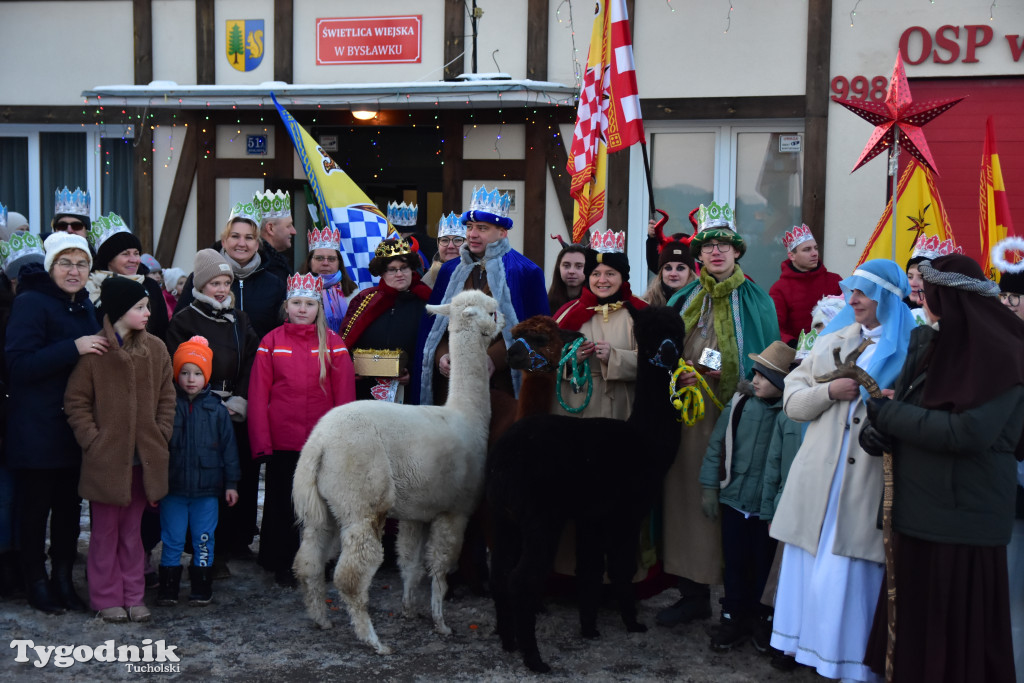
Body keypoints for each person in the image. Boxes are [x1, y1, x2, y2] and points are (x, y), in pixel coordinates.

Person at [859, 254, 1024, 682]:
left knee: (955, 648)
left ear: (947, 298)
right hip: (919, 513)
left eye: (929, 294)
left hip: (961, 523)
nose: (923, 301)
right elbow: (913, 409)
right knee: (916, 639)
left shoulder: (1004, 356)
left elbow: (967, 433)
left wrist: (888, 417)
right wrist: (878, 434)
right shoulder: (934, 344)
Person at [768, 259, 915, 682]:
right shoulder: (833, 339)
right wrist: (830, 391)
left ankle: (847, 663)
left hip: (864, 483)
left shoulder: (914, 348)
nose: (853, 300)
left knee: (846, 575)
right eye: (851, 291)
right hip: (819, 480)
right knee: (810, 572)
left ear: (886, 297)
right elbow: (792, 401)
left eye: (864, 293)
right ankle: (807, 651)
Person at [660, 201, 779, 627]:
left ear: (737, 253)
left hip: (737, 422)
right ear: (700, 254)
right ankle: (691, 593)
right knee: (686, 506)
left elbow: (770, 363)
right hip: (688, 422)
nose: (716, 253)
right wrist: (679, 376)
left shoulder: (758, 301)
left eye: (724, 246)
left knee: (733, 509)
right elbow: (662, 355)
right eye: (709, 246)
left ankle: (738, 602)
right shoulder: (682, 298)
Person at [64, 276, 175, 623]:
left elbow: (167, 397)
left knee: (132, 533)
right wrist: (93, 440)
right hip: (107, 461)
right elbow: (76, 401)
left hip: (144, 460)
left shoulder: (155, 349)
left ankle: (133, 594)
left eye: (147, 307)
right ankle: (105, 595)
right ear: (119, 312)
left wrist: (161, 432)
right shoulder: (96, 351)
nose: (147, 313)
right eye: (139, 308)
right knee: (104, 533)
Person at [5, 232, 106, 614]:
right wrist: (73, 347)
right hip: (36, 428)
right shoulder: (31, 303)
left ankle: (64, 579)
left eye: (81, 263)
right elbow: (19, 366)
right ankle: (36, 581)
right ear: (51, 266)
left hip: (74, 428)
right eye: (65, 262)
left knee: (69, 510)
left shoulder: (85, 306)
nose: (74, 270)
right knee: (35, 511)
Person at [248, 273, 355, 586]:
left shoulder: (334, 345)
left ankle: (315, 560)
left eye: (309, 303)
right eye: (297, 303)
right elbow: (257, 396)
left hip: (320, 441)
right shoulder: (271, 343)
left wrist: (342, 442)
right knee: (281, 502)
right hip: (282, 440)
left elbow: (345, 398)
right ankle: (278, 560)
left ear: (319, 307)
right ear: (287, 306)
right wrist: (261, 442)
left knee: (317, 506)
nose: (303, 309)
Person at [165, 249, 260, 571]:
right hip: (199, 410)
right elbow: (177, 365)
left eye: (225, 282)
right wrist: (203, 400)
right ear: (201, 285)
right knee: (201, 481)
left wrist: (241, 398)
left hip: (233, 410)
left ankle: (225, 546)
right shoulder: (185, 320)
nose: (221, 289)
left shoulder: (240, 319)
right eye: (214, 283)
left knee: (231, 479)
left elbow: (251, 361)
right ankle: (199, 551)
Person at [699, 341, 795, 652]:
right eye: (755, 373)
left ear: (781, 384)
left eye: (764, 376)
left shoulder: (790, 416)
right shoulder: (739, 404)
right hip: (734, 500)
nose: (755, 380)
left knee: (764, 567)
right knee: (735, 563)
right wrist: (709, 489)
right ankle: (732, 618)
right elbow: (717, 446)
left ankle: (762, 621)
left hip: (766, 510)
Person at [419, 186, 549, 409]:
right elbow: (435, 327)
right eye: (469, 227)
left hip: (501, 387)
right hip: (451, 389)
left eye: (482, 228)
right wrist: (441, 356)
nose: (472, 234)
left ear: (502, 232)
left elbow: (536, 333)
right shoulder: (449, 271)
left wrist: (492, 359)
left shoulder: (526, 271)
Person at [158, 335, 240, 608]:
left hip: (207, 490)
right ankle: (168, 587)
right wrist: (155, 485)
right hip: (173, 489)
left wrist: (231, 483)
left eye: (197, 373)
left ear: (206, 375)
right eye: (184, 372)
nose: (191, 379)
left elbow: (229, 450)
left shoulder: (217, 410)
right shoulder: (168, 406)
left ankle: (201, 585)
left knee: (204, 538)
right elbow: (158, 449)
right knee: (171, 538)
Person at [554, 229, 647, 420]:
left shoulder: (641, 313)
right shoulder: (568, 313)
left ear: (622, 277)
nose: (602, 280)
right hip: (577, 408)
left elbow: (656, 361)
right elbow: (546, 359)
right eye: (596, 274)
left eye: (610, 273)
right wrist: (571, 359)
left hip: (624, 409)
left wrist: (615, 358)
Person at [175, 200, 287, 340]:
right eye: (235, 236)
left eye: (249, 238)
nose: (241, 243)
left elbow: (283, 332)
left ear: (257, 244)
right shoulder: (200, 278)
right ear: (224, 242)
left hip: (259, 361)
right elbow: (178, 327)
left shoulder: (275, 284)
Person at [340, 238, 430, 401]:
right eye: (392, 270)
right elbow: (345, 341)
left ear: (412, 269)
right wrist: (351, 366)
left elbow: (433, 348)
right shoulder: (364, 300)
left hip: (409, 394)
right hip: (366, 392)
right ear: (382, 273)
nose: (399, 274)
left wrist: (413, 373)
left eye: (404, 268)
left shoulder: (427, 302)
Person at [85, 212, 169, 340]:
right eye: (125, 254)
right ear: (109, 259)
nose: (133, 259)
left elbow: (162, 330)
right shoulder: (90, 288)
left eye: (136, 253)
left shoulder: (150, 286)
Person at [767, 224, 842, 344]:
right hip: (797, 356)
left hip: (834, 349)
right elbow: (775, 328)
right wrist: (794, 345)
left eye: (815, 248)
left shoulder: (835, 280)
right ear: (792, 256)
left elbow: (849, 315)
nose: (814, 253)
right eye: (807, 249)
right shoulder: (779, 289)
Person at [306, 226, 358, 333]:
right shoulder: (297, 289)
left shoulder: (354, 293)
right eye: (319, 258)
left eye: (331, 259)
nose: (325, 263)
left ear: (339, 262)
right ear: (310, 262)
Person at [642, 234, 697, 307]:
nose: (673, 273)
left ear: (690, 273)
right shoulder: (646, 303)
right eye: (668, 268)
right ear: (661, 272)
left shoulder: (702, 301)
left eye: (680, 268)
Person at [255, 189, 295, 281]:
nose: (294, 231)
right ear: (270, 228)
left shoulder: (275, 262)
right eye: (288, 226)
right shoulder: (262, 265)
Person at [423, 212, 464, 288]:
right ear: (438, 244)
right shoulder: (429, 280)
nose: (450, 246)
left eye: (458, 240)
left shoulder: (482, 276)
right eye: (444, 240)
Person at [547, 239, 588, 313]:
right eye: (566, 265)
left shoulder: (595, 305)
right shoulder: (547, 303)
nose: (571, 271)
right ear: (558, 267)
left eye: (579, 266)